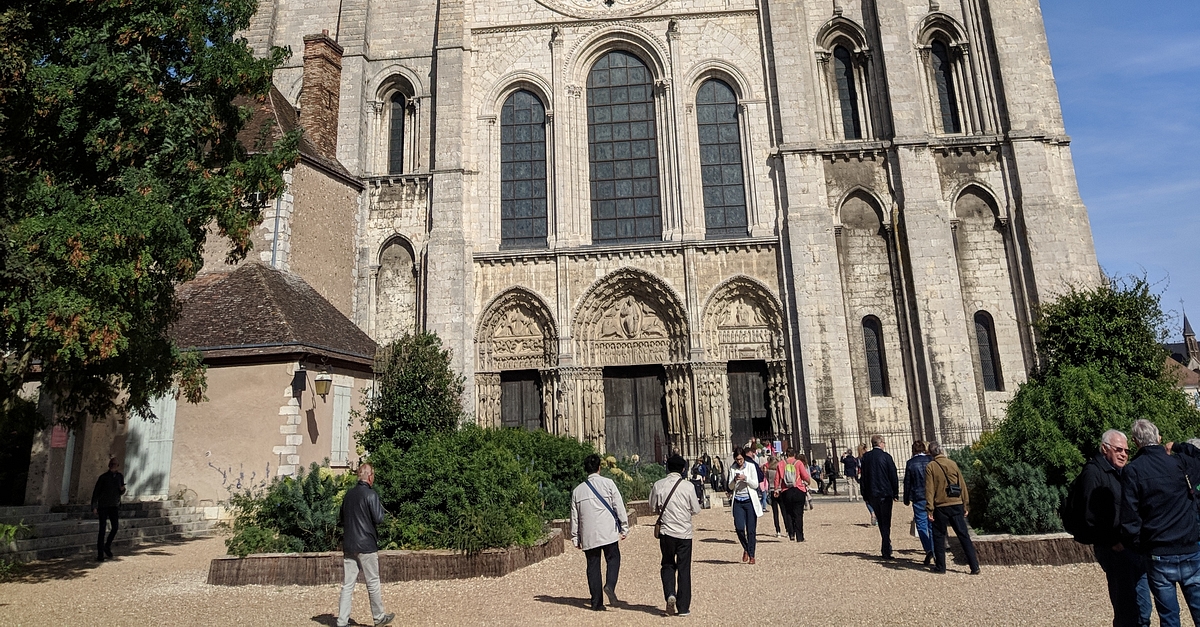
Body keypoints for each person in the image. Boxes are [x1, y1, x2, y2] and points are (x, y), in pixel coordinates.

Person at [1120, 419, 1200, 627]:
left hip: (1158, 552)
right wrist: (1178, 447)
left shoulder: (1133, 471)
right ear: (1159, 438)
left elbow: (1129, 519)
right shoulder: (1179, 462)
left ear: (1136, 443)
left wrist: (1141, 546)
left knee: (1169, 618)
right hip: (1189, 546)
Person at [1071, 429, 1151, 627]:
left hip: (1131, 546)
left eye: (1126, 451)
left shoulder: (1121, 472)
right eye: (1119, 450)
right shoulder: (1093, 472)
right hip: (1114, 549)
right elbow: (1091, 514)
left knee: (1142, 606)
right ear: (1105, 448)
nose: (1124, 454)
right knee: (1125, 607)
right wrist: (1111, 542)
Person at [337, 462, 395, 627]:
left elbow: (341, 519)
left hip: (349, 544)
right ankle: (378, 617)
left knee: (348, 584)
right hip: (366, 544)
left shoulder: (348, 495)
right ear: (369, 476)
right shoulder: (371, 495)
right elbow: (379, 518)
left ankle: (341, 621)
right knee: (373, 582)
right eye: (373, 475)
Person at [571, 453, 630, 611]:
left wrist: (575, 537)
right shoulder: (608, 483)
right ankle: (610, 585)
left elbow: (574, 517)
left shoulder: (578, 491)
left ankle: (597, 603)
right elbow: (619, 506)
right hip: (607, 532)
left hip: (588, 535)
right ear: (599, 467)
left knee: (593, 566)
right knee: (613, 558)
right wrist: (624, 527)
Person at [649, 455, 702, 617]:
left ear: (667, 468)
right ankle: (683, 607)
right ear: (683, 469)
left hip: (667, 532)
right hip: (684, 533)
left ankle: (670, 593)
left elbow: (652, 507)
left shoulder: (659, 485)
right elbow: (696, 509)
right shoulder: (688, 487)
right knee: (684, 569)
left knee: (667, 564)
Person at [924, 441, 980, 575]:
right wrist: (965, 503)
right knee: (963, 535)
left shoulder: (931, 466)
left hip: (941, 506)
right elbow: (962, 484)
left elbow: (929, 490)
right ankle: (974, 565)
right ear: (941, 451)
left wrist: (929, 509)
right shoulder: (952, 463)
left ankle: (941, 567)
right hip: (956, 503)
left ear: (931, 453)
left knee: (939, 536)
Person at [859, 434, 899, 560]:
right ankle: (886, 548)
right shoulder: (886, 457)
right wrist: (896, 492)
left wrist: (864, 493)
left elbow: (863, 477)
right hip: (885, 493)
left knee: (881, 521)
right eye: (884, 442)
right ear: (880, 443)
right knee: (886, 521)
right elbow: (893, 475)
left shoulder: (866, 457)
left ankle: (886, 545)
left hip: (872, 493)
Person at [726, 448, 762, 563]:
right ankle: (746, 548)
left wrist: (746, 478)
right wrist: (735, 480)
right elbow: (730, 487)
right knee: (739, 528)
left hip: (749, 501)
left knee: (751, 530)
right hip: (738, 501)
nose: (739, 461)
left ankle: (752, 554)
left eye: (741, 459)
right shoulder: (733, 468)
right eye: (737, 459)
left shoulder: (751, 466)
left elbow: (755, 484)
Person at [903, 440, 935, 566]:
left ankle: (928, 549)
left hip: (918, 497)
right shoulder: (930, 460)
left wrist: (906, 498)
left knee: (921, 525)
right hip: (931, 497)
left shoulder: (910, 463)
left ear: (913, 450)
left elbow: (907, 482)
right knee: (932, 525)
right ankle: (934, 550)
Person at [91, 458, 126, 562]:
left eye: (116, 464)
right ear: (109, 465)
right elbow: (96, 492)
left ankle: (107, 546)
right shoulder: (103, 477)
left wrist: (122, 490)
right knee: (102, 530)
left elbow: (121, 491)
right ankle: (100, 554)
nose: (114, 466)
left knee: (115, 528)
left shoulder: (120, 477)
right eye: (113, 464)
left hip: (114, 506)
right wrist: (94, 506)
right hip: (103, 506)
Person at [774, 451, 811, 542]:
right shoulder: (798, 463)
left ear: (786, 454)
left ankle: (791, 533)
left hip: (786, 490)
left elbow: (777, 478)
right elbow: (805, 476)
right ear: (794, 455)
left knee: (788, 513)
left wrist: (776, 489)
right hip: (798, 489)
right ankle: (800, 536)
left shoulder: (781, 464)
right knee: (798, 514)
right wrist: (809, 482)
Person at [764, 454, 782, 537]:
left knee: (775, 512)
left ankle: (778, 530)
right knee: (784, 510)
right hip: (779, 490)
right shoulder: (779, 470)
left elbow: (767, 479)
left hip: (771, 490)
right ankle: (788, 530)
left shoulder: (768, 471)